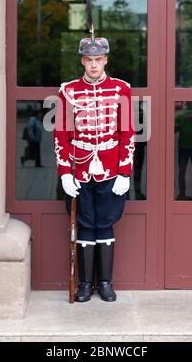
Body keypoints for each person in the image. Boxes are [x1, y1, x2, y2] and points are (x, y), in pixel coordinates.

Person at [54, 37, 135, 303]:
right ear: (82, 61)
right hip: (80, 167)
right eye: (88, 60)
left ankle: (105, 283)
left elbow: (128, 134)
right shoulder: (68, 91)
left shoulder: (121, 89)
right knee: (85, 224)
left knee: (106, 223)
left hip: (111, 168)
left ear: (106, 60)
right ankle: (85, 284)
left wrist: (125, 172)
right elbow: (61, 135)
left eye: (98, 60)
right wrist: (65, 172)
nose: (93, 65)